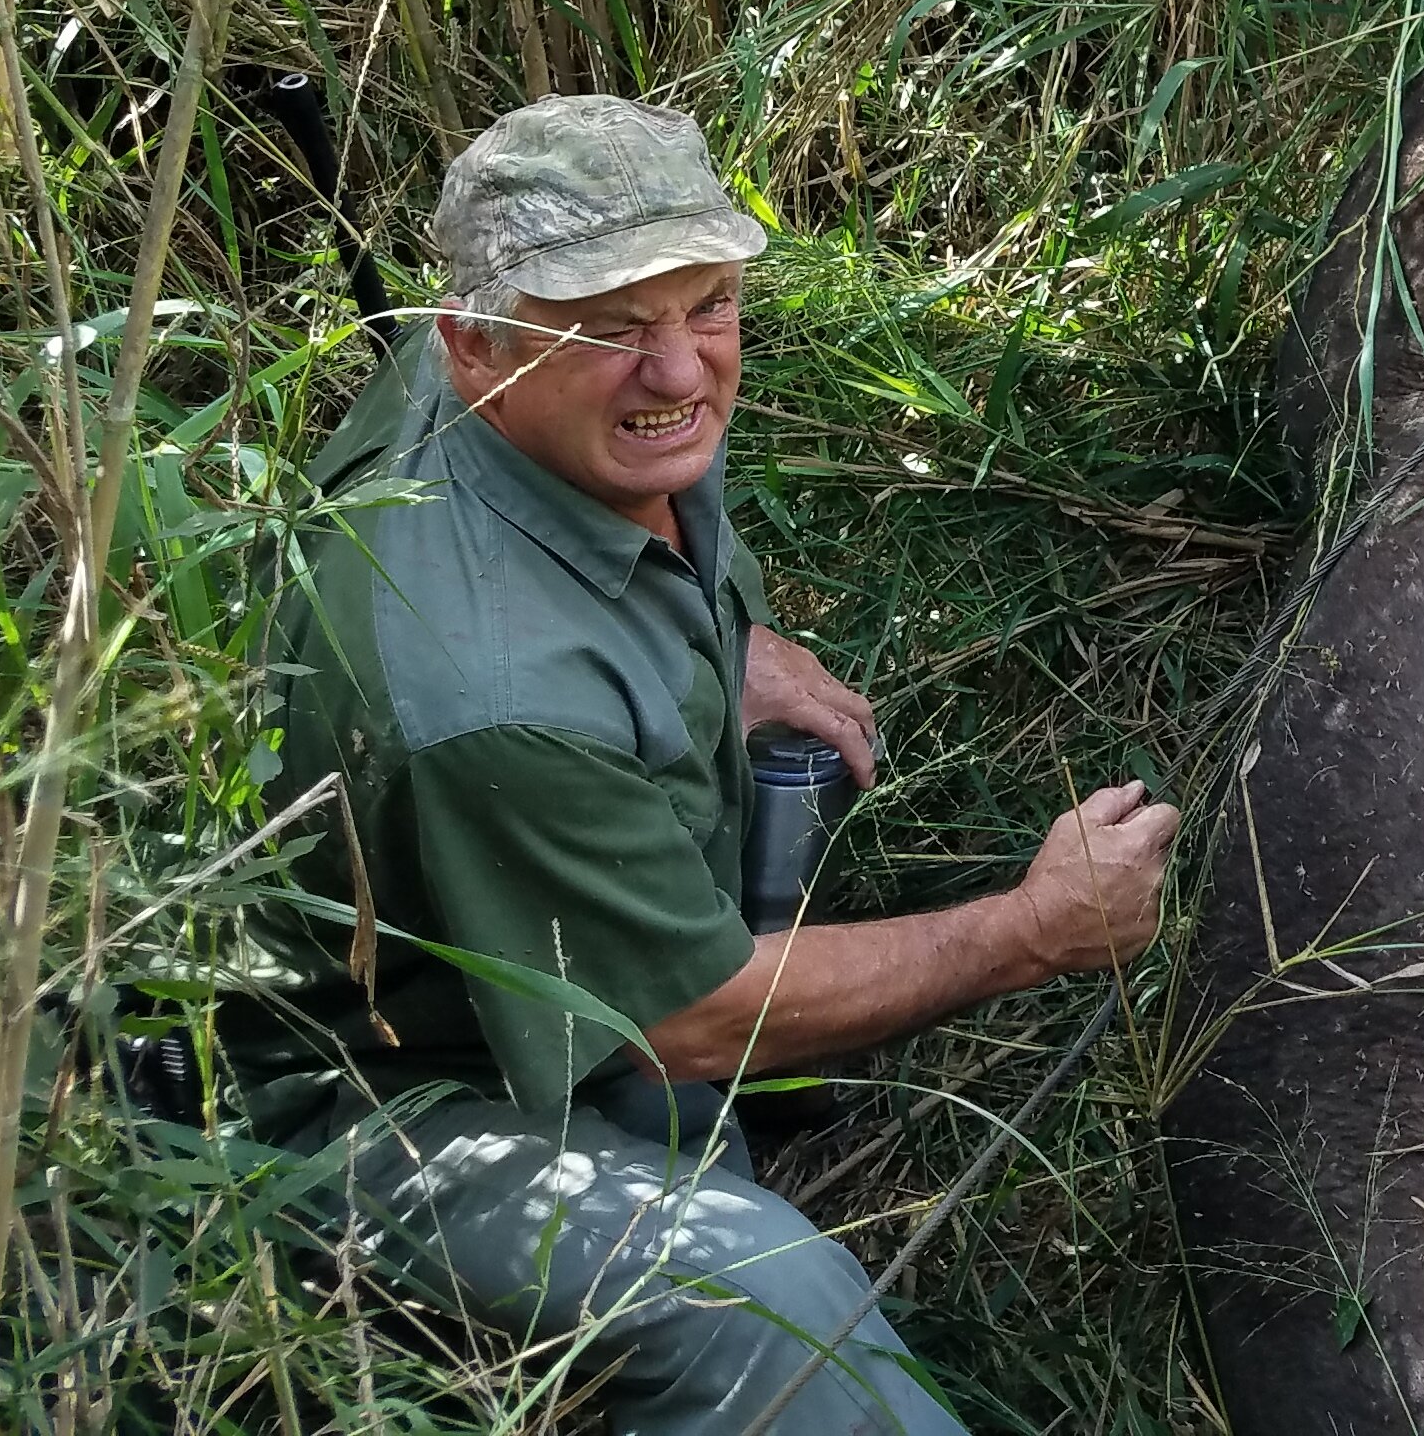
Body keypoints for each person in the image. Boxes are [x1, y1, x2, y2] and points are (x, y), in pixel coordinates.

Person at [221, 95, 1181, 1436]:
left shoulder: (506, 390)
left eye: (709, 307)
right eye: (611, 329)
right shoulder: (497, 697)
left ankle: (704, 1121)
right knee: (775, 1299)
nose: (678, 374)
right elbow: (694, 1014)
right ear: (475, 344)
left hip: (557, 918)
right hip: (393, 1098)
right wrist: (1033, 932)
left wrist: (721, 650)